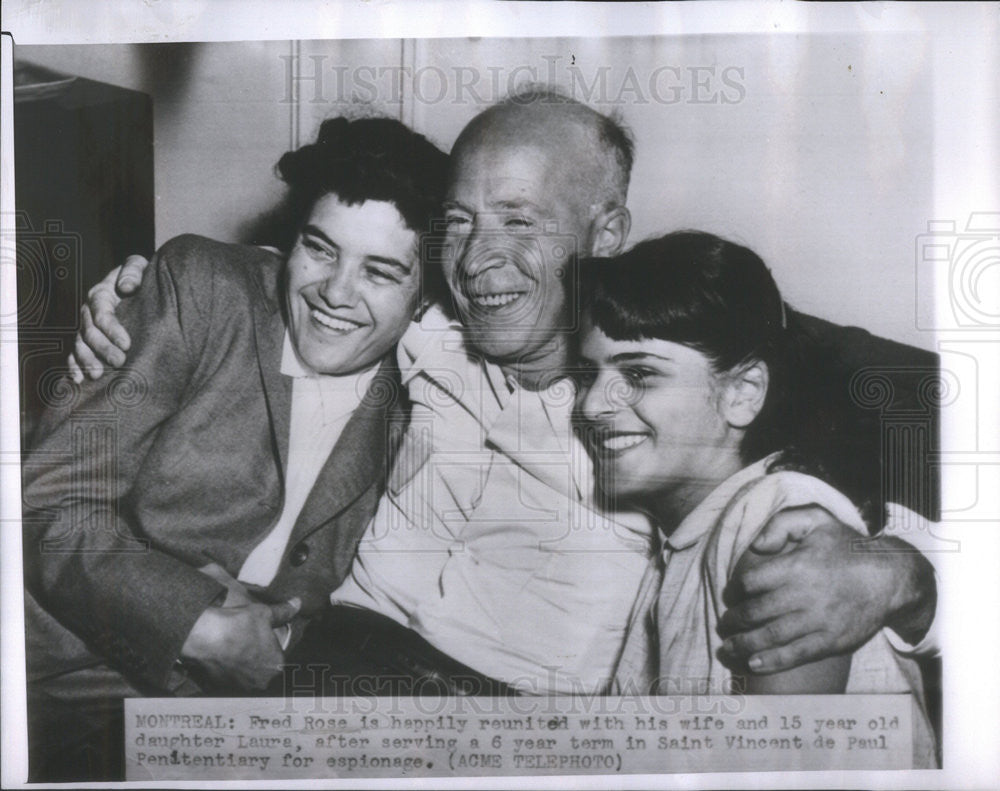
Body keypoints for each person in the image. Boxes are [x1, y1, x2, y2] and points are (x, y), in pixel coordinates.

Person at [66, 87, 940, 690]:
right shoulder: (430, 324)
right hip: (308, 670)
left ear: (608, 231)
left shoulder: (674, 387)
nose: (479, 259)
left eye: (520, 222)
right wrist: (139, 297)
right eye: (460, 222)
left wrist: (905, 577)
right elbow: (318, 279)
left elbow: (911, 436)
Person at [21, 116, 448, 780]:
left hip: (221, 727)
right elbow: (49, 504)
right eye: (321, 247)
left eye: (381, 272)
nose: (335, 292)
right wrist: (196, 626)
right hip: (51, 677)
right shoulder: (203, 289)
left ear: (424, 302)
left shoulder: (423, 406)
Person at [574, 231, 938, 767]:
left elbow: (780, 773)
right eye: (589, 374)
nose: (591, 405)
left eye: (639, 374)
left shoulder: (775, 517)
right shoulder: (684, 543)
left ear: (742, 393)